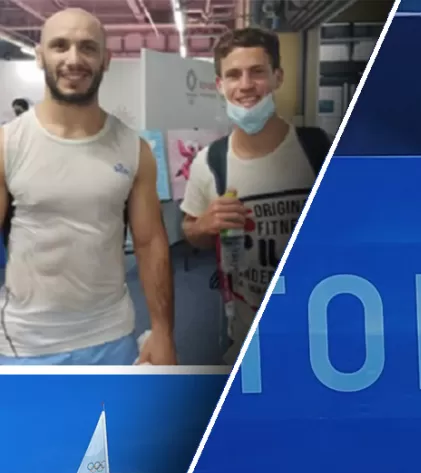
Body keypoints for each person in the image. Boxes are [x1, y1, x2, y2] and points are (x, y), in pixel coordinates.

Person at [0, 8, 175, 366]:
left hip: (111, 336)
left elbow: (150, 243)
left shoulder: (133, 148)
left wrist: (163, 332)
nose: (73, 59)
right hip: (25, 343)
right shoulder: (7, 144)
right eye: (60, 46)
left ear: (106, 59)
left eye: (88, 48)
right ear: (40, 56)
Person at [180, 27, 332, 365]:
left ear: (277, 77)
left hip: (324, 333)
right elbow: (189, 229)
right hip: (248, 343)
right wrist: (204, 226)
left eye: (257, 72)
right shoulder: (209, 163)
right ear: (220, 85)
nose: (245, 85)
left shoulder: (319, 150)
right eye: (233, 75)